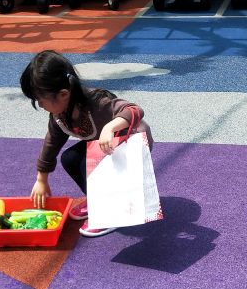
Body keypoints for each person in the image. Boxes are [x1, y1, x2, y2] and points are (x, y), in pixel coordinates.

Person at [21, 50, 153, 238]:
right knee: (70, 158)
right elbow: (52, 143)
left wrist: (110, 127)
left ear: (63, 94)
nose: (40, 106)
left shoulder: (97, 102)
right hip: (107, 148)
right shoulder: (60, 114)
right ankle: (97, 200)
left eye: (41, 101)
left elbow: (134, 110)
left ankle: (108, 213)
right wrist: (41, 179)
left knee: (88, 163)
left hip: (132, 143)